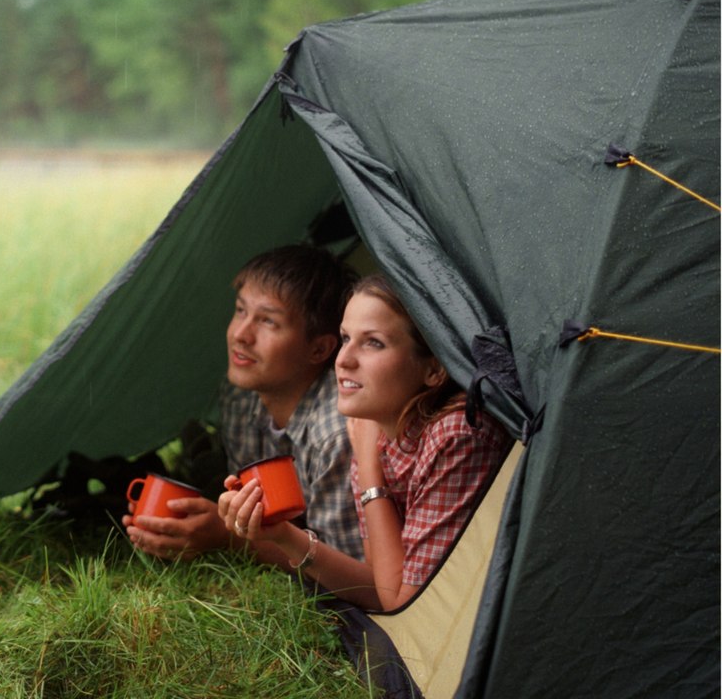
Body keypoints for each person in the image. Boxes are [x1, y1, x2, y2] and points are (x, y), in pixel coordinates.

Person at [218, 274, 511, 611]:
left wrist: (370, 474)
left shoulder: (458, 435)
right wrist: (282, 535)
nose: (343, 360)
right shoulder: (377, 428)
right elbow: (377, 583)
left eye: (373, 342)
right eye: (346, 337)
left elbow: (399, 602)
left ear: (434, 369)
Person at [124, 244, 365, 566]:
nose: (240, 334)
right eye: (240, 310)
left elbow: (348, 568)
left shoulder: (336, 433)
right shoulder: (241, 397)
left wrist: (230, 540)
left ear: (319, 349)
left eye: (268, 322)